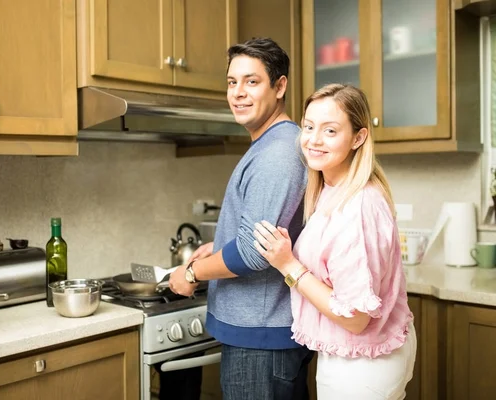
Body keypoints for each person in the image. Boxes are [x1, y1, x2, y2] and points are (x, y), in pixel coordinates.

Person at [168, 37, 313, 400]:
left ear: (280, 86)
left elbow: (253, 252)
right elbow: (259, 233)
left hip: (262, 339)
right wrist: (216, 247)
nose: (238, 93)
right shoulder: (267, 145)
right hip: (258, 334)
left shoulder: (278, 153)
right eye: (232, 82)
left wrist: (190, 273)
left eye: (252, 81)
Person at [253, 83, 416, 399]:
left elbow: (355, 319)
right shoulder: (334, 188)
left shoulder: (356, 207)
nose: (313, 140)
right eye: (309, 126)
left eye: (330, 131)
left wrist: (288, 265)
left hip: (363, 364)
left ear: (358, 137)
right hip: (365, 356)